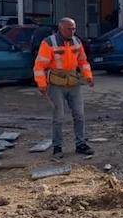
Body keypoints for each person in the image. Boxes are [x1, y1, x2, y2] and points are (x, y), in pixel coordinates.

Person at [33, 17, 95, 159]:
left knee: (79, 115)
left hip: (73, 83)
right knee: (58, 118)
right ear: (61, 28)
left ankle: (81, 144)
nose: (72, 31)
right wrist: (41, 84)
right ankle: (57, 147)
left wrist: (88, 76)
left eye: (74, 28)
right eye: (69, 28)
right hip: (56, 85)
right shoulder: (49, 43)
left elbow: (83, 61)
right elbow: (39, 65)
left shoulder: (76, 41)